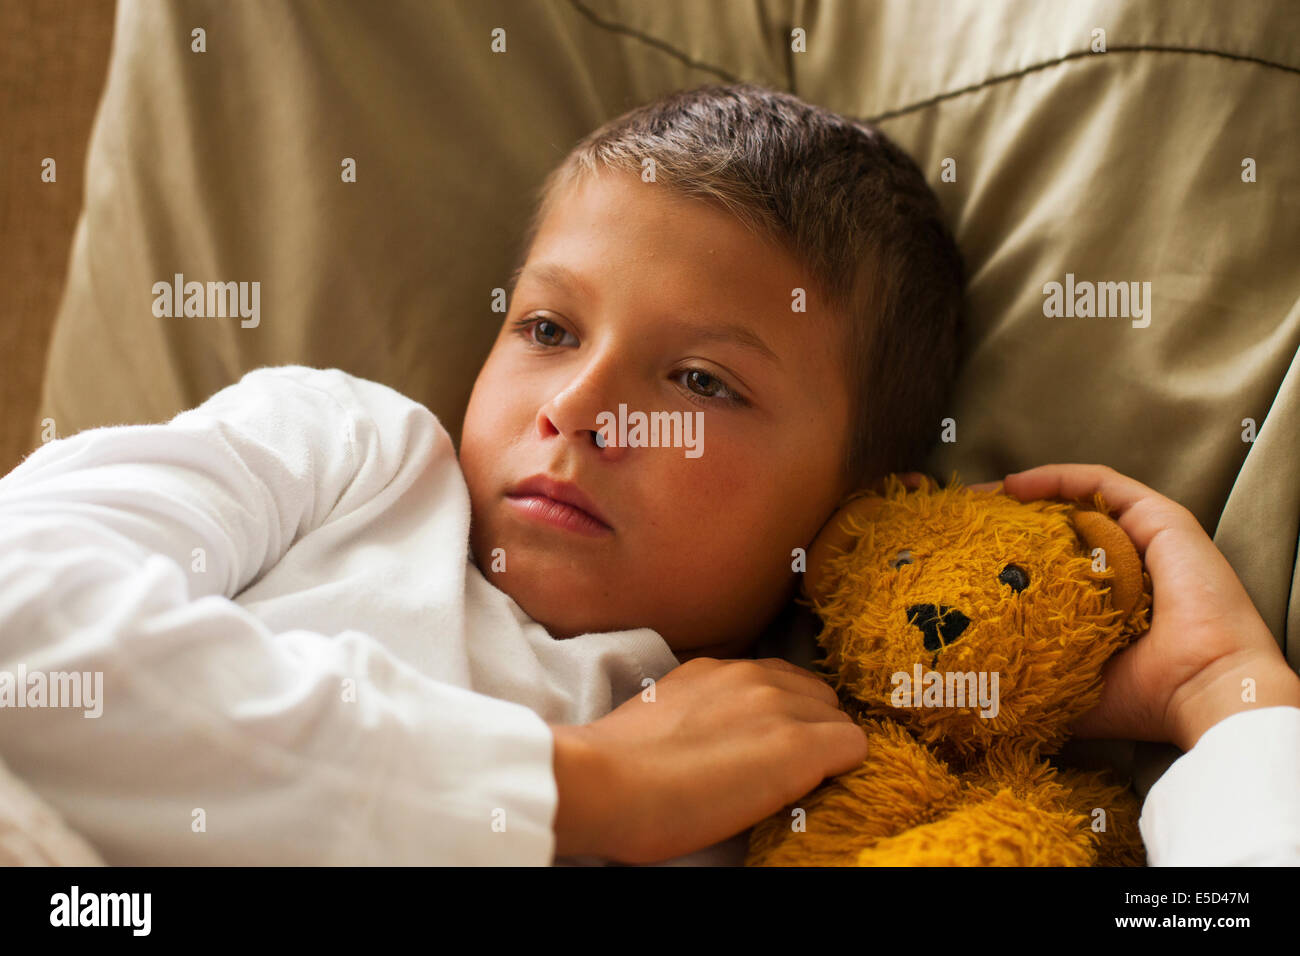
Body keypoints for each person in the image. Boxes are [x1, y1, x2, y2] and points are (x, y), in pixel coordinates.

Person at [0, 83, 1294, 866]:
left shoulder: (810, 772)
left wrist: (1229, 705)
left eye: (700, 384)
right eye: (549, 328)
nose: (575, 407)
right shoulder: (349, 456)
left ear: (851, 511)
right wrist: (582, 791)